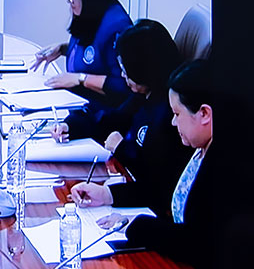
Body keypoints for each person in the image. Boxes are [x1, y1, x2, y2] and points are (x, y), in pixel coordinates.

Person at [68, 60, 252, 269]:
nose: (173, 122)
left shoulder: (228, 165)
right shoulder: (200, 147)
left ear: (205, 114)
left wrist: (135, 226)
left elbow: (196, 243)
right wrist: (107, 194)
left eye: (177, 114)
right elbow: (163, 190)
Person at [53, 20, 190, 193]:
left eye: (126, 70)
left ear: (144, 70)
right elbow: (112, 120)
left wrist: (121, 149)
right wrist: (71, 125)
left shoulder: (168, 113)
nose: (123, 75)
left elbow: (154, 174)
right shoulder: (143, 95)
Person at [31, 0, 131, 99]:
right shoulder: (90, 14)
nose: (69, 3)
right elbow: (95, 55)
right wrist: (63, 49)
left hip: (100, 109)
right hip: (76, 100)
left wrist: (81, 78)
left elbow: (124, 86)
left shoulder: (117, 26)